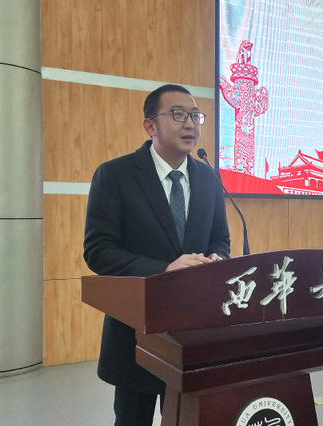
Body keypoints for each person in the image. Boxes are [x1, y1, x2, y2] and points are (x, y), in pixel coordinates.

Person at [83, 84, 231, 425]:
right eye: (178, 114)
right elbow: (99, 251)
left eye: (195, 116)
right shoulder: (116, 175)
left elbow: (219, 239)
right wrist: (164, 268)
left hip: (193, 332)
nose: (190, 124)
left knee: (186, 419)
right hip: (137, 332)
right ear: (150, 126)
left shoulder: (208, 178)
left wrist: (217, 261)